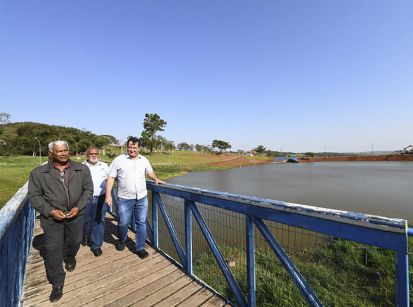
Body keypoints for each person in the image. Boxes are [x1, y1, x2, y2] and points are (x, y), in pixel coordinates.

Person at [28, 140, 93, 302]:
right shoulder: (38, 173)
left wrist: (78, 207)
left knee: (76, 240)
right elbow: (34, 196)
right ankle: (57, 283)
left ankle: (70, 256)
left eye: (66, 150)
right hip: (51, 218)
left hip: (76, 214)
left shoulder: (81, 169)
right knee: (52, 249)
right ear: (51, 154)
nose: (64, 153)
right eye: (59, 151)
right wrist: (50, 211)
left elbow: (88, 190)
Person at [105, 136, 165, 259]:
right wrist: (108, 195)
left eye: (135, 147)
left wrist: (155, 179)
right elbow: (111, 177)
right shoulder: (119, 160)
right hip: (124, 199)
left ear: (139, 148)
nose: (132, 150)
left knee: (141, 223)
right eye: (130, 147)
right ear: (127, 147)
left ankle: (140, 248)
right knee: (123, 222)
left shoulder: (144, 160)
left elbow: (149, 172)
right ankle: (122, 240)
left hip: (141, 198)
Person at [82, 146, 109, 257]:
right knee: (85, 221)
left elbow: (110, 179)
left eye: (96, 154)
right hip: (85, 198)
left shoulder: (104, 166)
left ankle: (96, 245)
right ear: (87, 155)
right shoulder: (81, 167)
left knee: (99, 220)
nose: (94, 156)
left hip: (101, 197)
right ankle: (84, 237)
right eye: (91, 154)